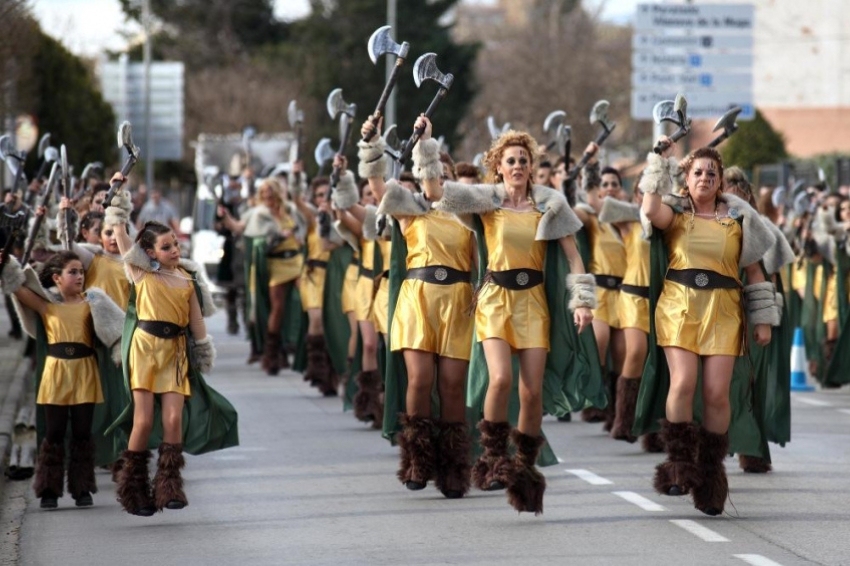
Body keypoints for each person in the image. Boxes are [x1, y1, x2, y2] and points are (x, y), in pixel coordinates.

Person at [414, 115, 596, 514]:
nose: (517, 167)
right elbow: (434, 192)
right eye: (510, 161)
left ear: (531, 166)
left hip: (533, 303)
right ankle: (493, 459)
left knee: (531, 393)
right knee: (500, 379)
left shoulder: (550, 204)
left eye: (523, 161)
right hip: (495, 298)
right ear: (498, 166)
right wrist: (427, 145)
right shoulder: (486, 199)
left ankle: (524, 467)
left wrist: (582, 301)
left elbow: (573, 256)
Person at [639, 139, 777, 516]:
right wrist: (658, 161)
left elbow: (754, 271)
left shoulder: (737, 220)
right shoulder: (676, 213)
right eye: (697, 172)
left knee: (717, 395)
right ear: (687, 178)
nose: (704, 178)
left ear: (720, 181)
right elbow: (650, 209)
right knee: (683, 382)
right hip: (679, 307)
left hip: (724, 310)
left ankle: (711, 473)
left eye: (711, 173)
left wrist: (763, 320)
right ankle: (679, 465)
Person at [356, 117, 476, 498]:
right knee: (421, 380)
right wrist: (371, 143)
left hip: (458, 300)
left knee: (453, 386)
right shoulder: (410, 209)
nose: (437, 178)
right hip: (418, 299)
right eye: (432, 170)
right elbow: (377, 186)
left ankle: (455, 467)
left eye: (444, 172)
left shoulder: (471, 217)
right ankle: (416, 459)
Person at [105, 175, 222, 516]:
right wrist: (117, 199)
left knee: (173, 419)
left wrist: (202, 349)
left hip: (174, 352)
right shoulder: (141, 273)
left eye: (176, 245)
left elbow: (196, 320)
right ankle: (133, 489)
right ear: (150, 252)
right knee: (142, 421)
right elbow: (123, 235)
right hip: (144, 350)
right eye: (167, 247)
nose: (175, 251)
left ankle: (169, 487)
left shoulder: (187, 279)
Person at [1, 250, 123, 509]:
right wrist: (6, 263)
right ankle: (49, 489)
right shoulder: (47, 305)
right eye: (73, 272)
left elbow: (116, 329)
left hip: (85, 372)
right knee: (54, 432)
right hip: (56, 374)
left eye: (81, 272)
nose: (79, 276)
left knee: (81, 432)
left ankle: (82, 488)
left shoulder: (94, 303)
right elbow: (16, 286)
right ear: (57, 278)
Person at [219, 178, 305, 375]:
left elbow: (302, 229)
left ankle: (298, 345)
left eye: (269, 192)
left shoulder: (289, 209)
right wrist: (225, 217)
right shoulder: (257, 213)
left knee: (306, 301)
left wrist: (295, 235)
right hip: (275, 264)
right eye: (264, 192)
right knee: (278, 308)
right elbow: (239, 227)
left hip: (296, 261)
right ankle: (272, 353)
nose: (267, 196)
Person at [573, 156, 627, 429]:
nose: (609, 188)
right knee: (600, 343)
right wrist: (586, 173)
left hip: (626, 293)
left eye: (614, 184)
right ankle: (595, 400)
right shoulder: (593, 217)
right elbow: (574, 212)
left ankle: (618, 413)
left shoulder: (631, 215)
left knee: (623, 354)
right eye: (604, 184)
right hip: (601, 292)